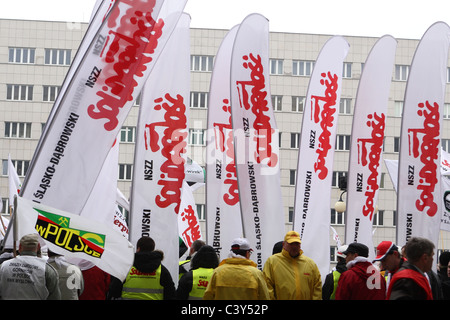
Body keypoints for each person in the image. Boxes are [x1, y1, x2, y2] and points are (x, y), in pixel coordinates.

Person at [110, 236, 176, 300]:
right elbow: (171, 294)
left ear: (138, 249)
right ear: (152, 249)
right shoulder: (162, 271)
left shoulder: (126, 268)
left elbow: (114, 292)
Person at [203, 238, 270, 300]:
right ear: (247, 253)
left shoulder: (218, 272)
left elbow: (208, 296)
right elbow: (264, 297)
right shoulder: (256, 274)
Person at [263, 231, 322, 300]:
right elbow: (267, 288)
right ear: (283, 244)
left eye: (297, 244)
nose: (294, 246)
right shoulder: (272, 262)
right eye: (291, 244)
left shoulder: (310, 264)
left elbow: (317, 288)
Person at [0, 233, 61, 300]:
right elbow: (54, 297)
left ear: (20, 247)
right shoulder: (47, 270)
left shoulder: (3, 266)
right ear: (38, 247)